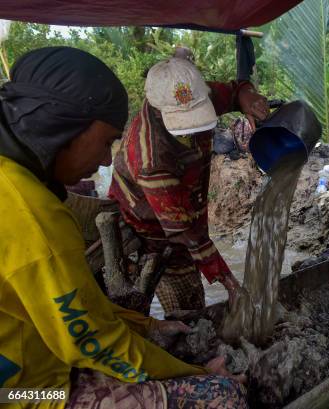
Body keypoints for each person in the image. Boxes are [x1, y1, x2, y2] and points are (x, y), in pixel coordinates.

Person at [0, 46, 246, 408]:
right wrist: (194, 374)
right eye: (104, 142)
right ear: (59, 125)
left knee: (165, 335)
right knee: (224, 396)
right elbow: (91, 340)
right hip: (22, 393)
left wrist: (147, 326)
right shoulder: (34, 221)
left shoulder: (16, 181)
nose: (105, 159)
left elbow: (69, 307)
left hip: (35, 358)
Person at [109, 51, 269, 315]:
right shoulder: (152, 159)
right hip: (149, 227)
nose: (195, 130)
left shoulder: (195, 95)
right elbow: (184, 232)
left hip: (187, 206)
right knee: (168, 303)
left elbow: (235, 91)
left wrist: (248, 98)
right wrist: (229, 282)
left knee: (191, 301)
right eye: (186, 125)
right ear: (159, 111)